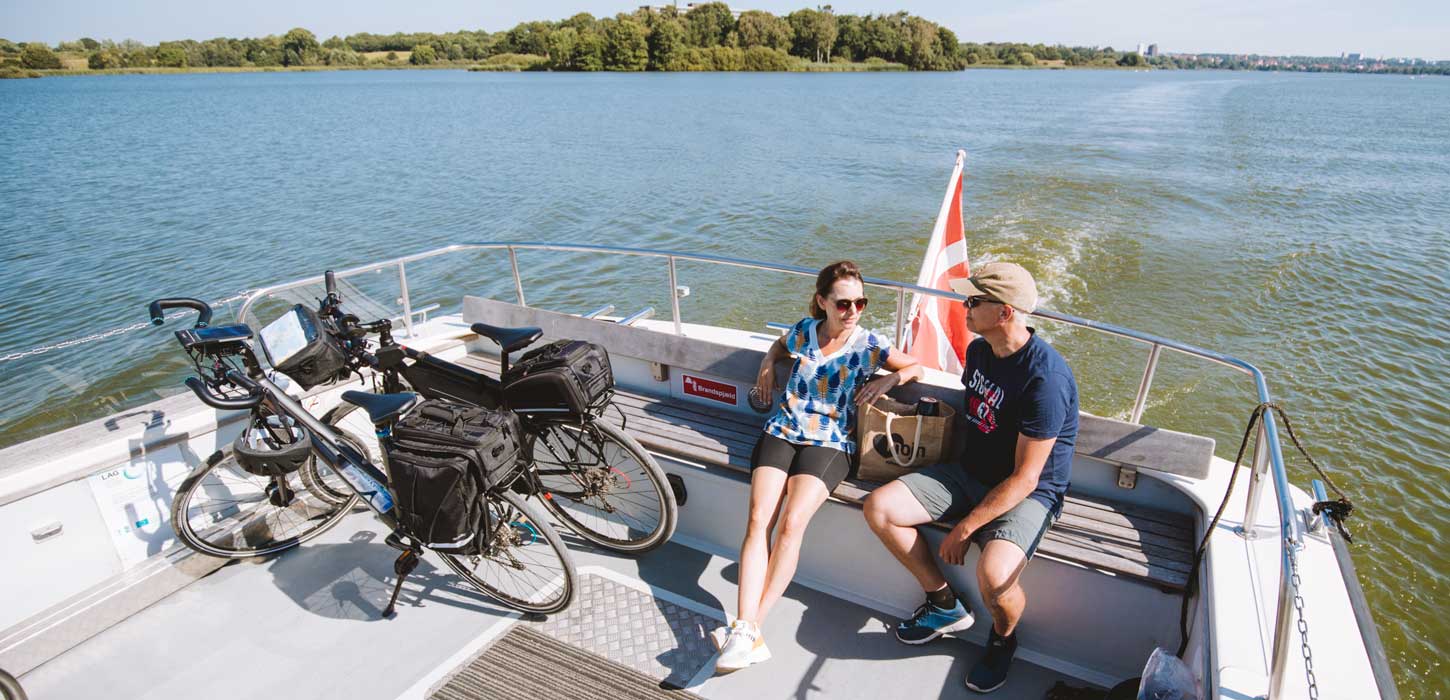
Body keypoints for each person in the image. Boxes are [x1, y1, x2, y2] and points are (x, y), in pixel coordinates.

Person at [862, 262, 1078, 693]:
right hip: (969, 472)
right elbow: (977, 415)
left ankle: (1003, 639)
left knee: (996, 578)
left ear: (1005, 313)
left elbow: (1027, 477)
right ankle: (942, 603)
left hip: (1029, 493)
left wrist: (966, 527)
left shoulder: (1045, 379)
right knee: (879, 508)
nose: (965, 306)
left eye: (975, 301)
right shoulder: (980, 351)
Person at [714, 260, 924, 673]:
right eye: (843, 303)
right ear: (822, 302)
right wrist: (766, 364)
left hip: (831, 441)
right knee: (759, 519)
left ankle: (748, 627)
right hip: (783, 429)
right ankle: (746, 631)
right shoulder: (803, 332)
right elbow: (778, 345)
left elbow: (915, 366)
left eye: (860, 302)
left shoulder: (869, 344)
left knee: (791, 523)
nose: (853, 311)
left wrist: (888, 380)